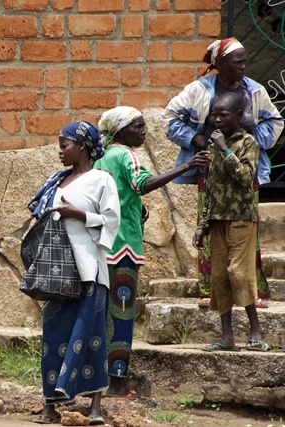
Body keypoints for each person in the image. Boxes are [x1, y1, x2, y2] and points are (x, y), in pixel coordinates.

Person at [93, 107, 211, 398]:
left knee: (103, 315)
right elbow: (141, 183)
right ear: (121, 131)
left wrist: (137, 208)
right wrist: (186, 166)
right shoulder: (125, 155)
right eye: (138, 126)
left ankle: (97, 380)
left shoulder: (102, 158)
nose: (144, 132)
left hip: (102, 246)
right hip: (123, 249)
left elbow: (117, 195)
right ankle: (117, 383)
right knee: (122, 315)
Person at [164, 37, 284, 309]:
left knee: (247, 233)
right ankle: (210, 291)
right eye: (237, 60)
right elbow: (169, 119)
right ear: (220, 64)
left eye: (245, 60)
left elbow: (275, 122)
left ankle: (251, 292)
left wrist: (251, 141)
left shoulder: (254, 91)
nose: (243, 65)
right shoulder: (199, 90)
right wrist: (195, 139)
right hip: (211, 172)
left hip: (244, 173)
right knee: (209, 229)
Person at [27, 121, 120, 425]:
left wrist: (77, 214)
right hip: (57, 273)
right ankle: (50, 406)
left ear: (82, 146)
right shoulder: (58, 181)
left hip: (89, 271)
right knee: (53, 335)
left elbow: (111, 222)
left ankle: (95, 408)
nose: (60, 151)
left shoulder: (101, 180)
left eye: (64, 145)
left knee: (91, 336)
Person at [194, 92, 268, 352]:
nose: (217, 120)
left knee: (239, 272)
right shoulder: (213, 145)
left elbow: (246, 177)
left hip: (241, 218)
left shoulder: (247, 143)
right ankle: (227, 337)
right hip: (216, 219)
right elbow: (211, 189)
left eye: (222, 115)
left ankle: (256, 330)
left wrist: (225, 149)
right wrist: (202, 225)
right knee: (219, 277)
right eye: (214, 115)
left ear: (238, 115)